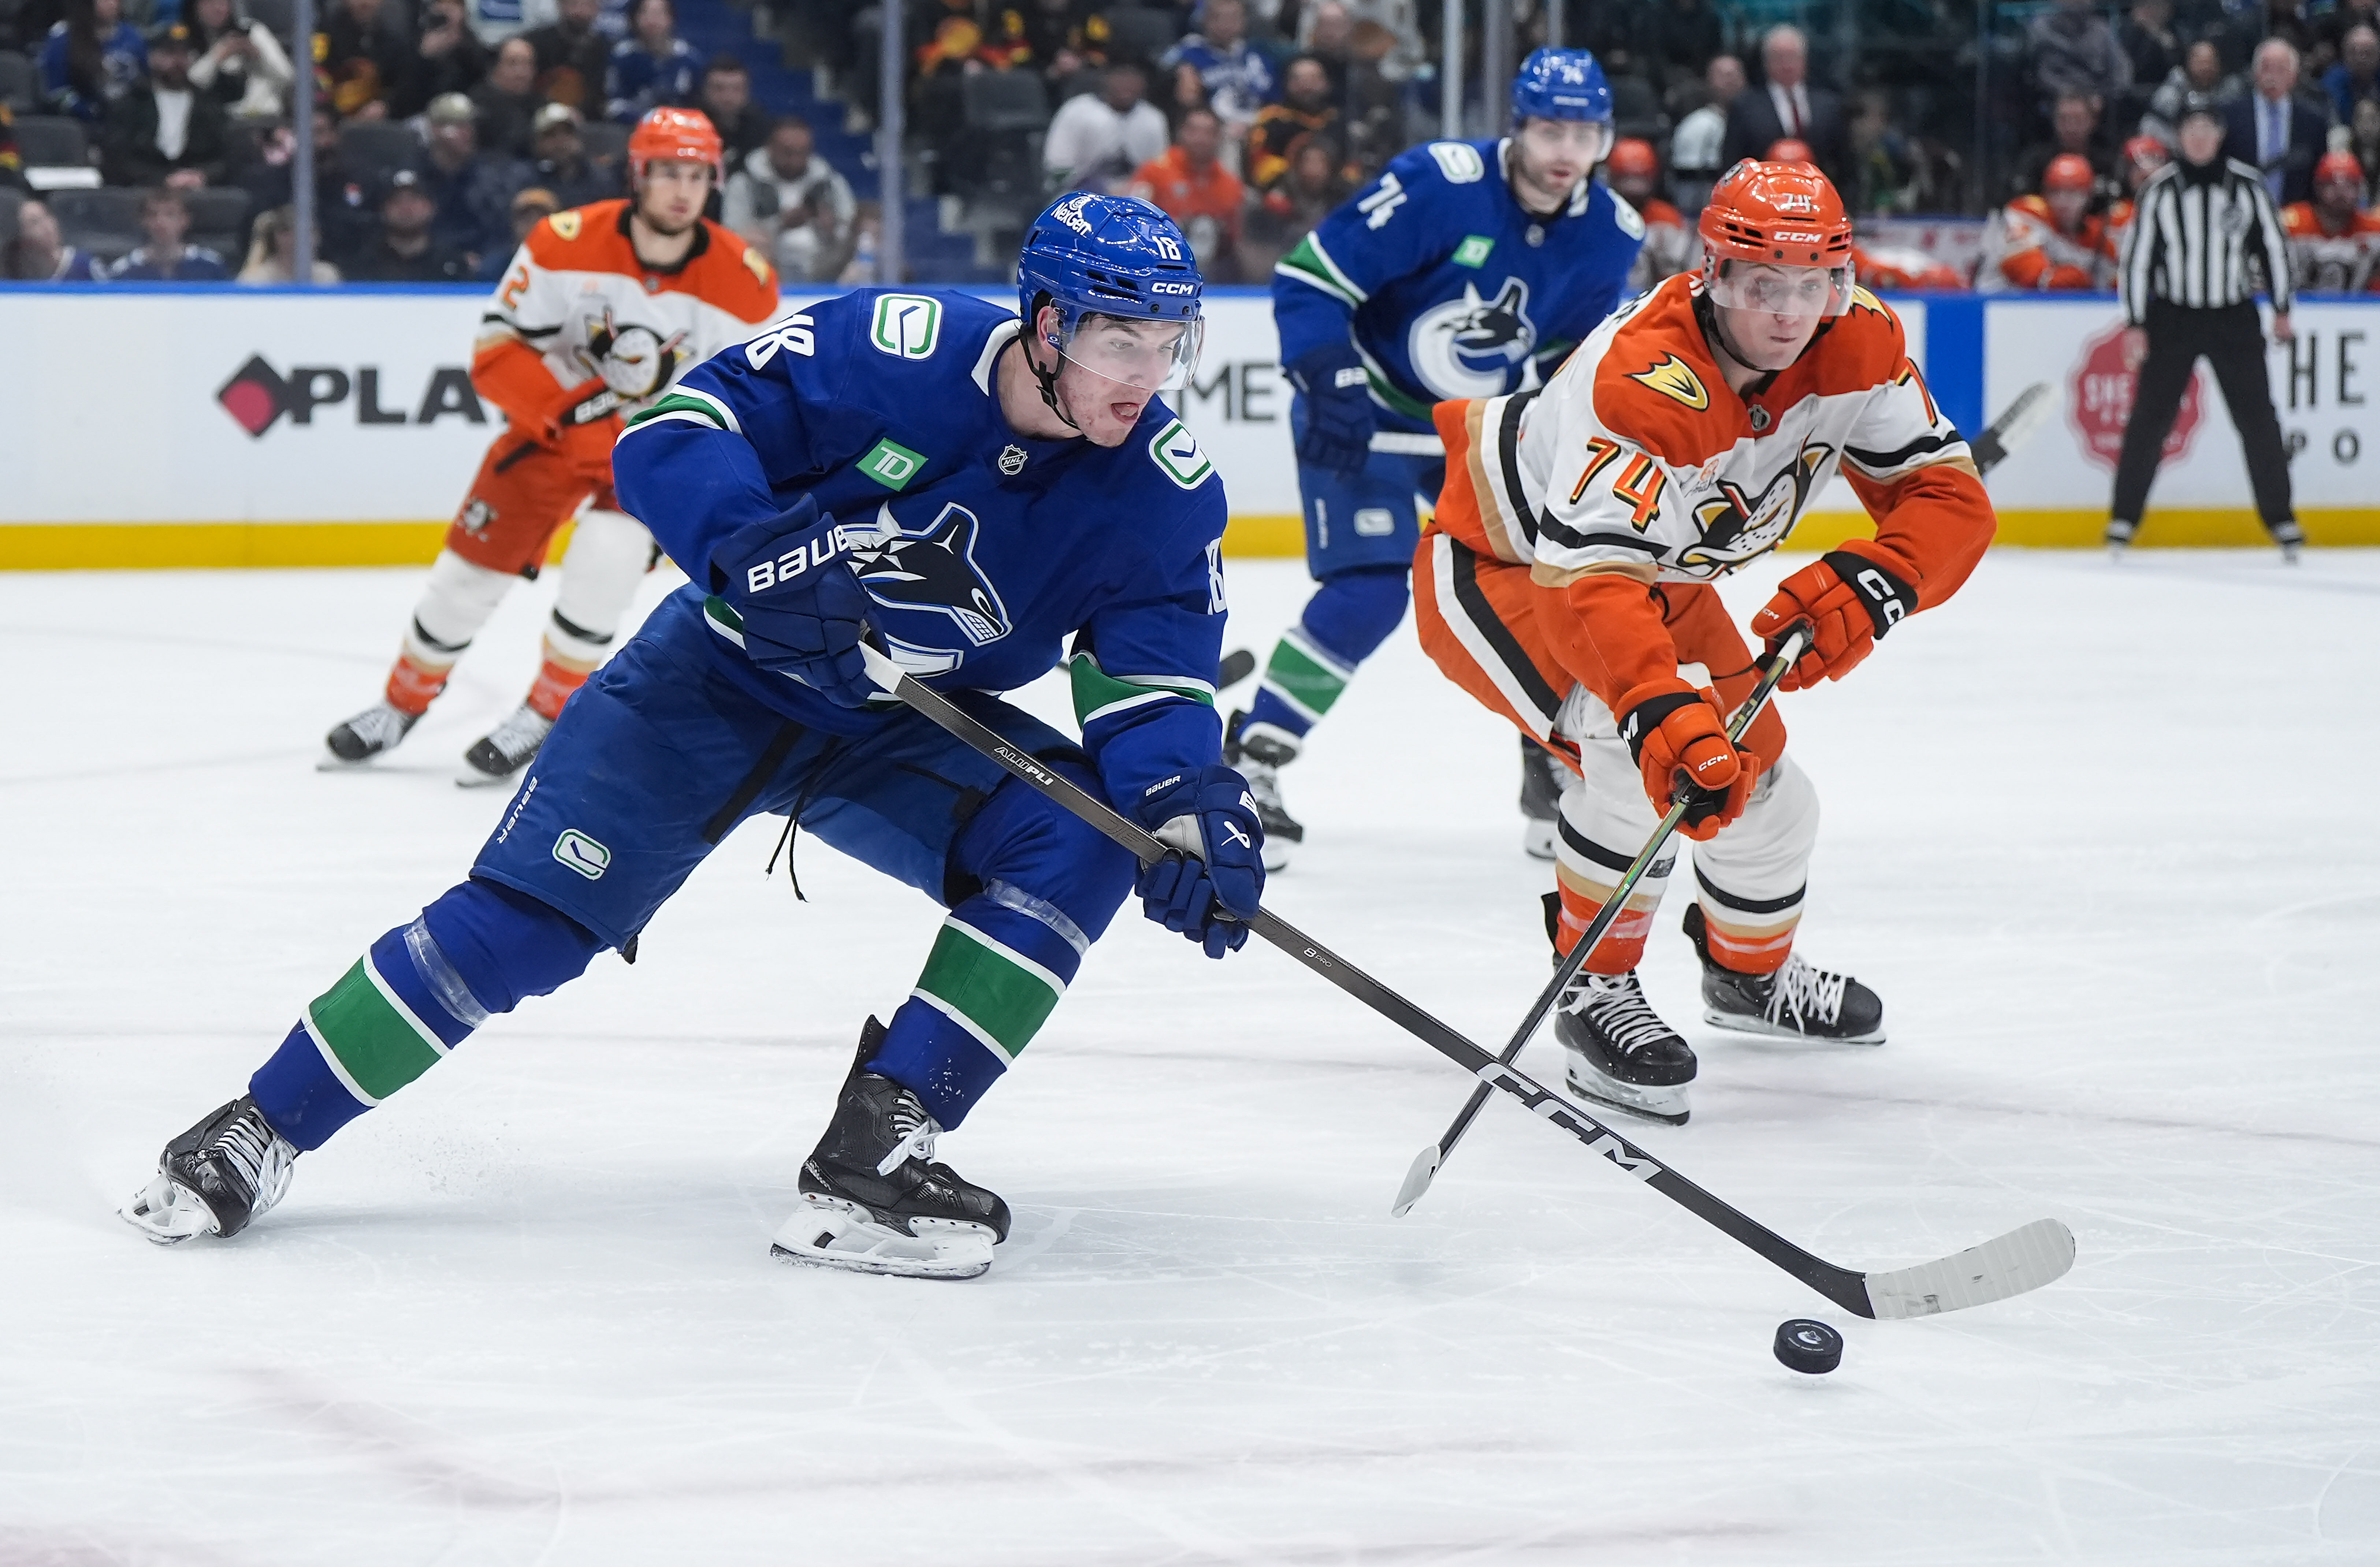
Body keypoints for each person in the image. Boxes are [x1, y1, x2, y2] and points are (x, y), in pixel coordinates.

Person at [118, 194, 1268, 1287]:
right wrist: (758, 551)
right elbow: (677, 429)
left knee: (1079, 836)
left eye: (1172, 344)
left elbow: (1150, 685)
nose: (1147, 378)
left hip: (895, 722)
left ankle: (875, 1154)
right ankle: (262, 1123)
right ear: (1049, 324)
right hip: (713, 677)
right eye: (1123, 342)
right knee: (528, 925)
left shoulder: (1164, 493)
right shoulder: (896, 347)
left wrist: (1183, 802)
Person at [1413, 159, 1992, 1124]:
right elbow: (1586, 586)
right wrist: (1653, 708)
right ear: (1712, 274)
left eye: (1813, 285)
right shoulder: (1643, 376)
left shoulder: (1861, 346)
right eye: (1764, 284)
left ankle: (1748, 977)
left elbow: (1949, 499)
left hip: (1658, 575)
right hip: (1505, 569)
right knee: (1625, 747)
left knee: (1765, 793)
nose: (1788, 312)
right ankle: (1593, 990)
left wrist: (1879, 582)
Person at [1256, 49, 1643, 868]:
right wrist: (1329, 380)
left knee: (1555, 584)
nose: (1564, 152)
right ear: (1517, 127)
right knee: (1366, 593)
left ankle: (1551, 760)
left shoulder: (1610, 234)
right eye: (1548, 130)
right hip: (1365, 411)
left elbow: (1568, 365)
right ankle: (1254, 758)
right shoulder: (1441, 181)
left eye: (1583, 133)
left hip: (1478, 428)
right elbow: (1310, 279)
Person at [321, 108, 777, 784]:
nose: (681, 190)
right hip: (550, 440)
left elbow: (755, 396)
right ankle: (401, 703)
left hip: (650, 462)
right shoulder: (564, 242)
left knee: (605, 565)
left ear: (713, 181)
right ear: (638, 175)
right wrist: (579, 421)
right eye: (667, 174)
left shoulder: (746, 281)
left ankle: (544, 713)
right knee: (462, 583)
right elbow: (496, 353)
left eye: (696, 175)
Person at [2111, 92, 2300, 558]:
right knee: (2149, 419)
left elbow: (2273, 249)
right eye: (2190, 129)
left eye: (2206, 128)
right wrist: (2135, 321)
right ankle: (2123, 517)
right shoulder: (2157, 190)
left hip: (2232, 315)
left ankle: (2280, 519)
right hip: (2172, 315)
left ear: (2219, 135)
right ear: (2178, 136)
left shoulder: (2248, 186)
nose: (2198, 137)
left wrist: (2281, 308)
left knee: (2257, 418)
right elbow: (2136, 261)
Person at [721, 113, 854, 283]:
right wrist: (780, 224)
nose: (795, 160)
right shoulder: (744, 183)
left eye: (803, 153)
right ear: (770, 148)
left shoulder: (830, 183)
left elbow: (850, 225)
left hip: (826, 266)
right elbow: (731, 235)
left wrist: (832, 229)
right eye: (788, 152)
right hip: (766, 267)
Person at [100, 22, 230, 188]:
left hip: (198, 190)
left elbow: (223, 157)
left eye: (184, 54)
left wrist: (202, 175)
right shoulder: (131, 103)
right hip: (143, 188)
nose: (178, 61)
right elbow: (117, 159)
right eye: (170, 53)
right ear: (152, 57)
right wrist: (162, 179)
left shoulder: (209, 104)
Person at [1721, 27, 1847, 189]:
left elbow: (1845, 164)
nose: (1787, 65)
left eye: (1792, 57)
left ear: (1804, 60)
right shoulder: (1745, 106)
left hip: (1819, 197)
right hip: (1762, 198)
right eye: (1779, 58)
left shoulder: (1829, 105)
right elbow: (1732, 165)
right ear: (1766, 62)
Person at [1130, 105, 1246, 280]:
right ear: (1181, 133)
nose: (1201, 139)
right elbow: (1133, 218)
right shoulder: (1155, 171)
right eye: (1194, 131)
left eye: (1209, 133)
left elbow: (1234, 240)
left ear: (1219, 138)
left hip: (1210, 272)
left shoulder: (1230, 185)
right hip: (1156, 262)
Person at [421, 89, 529, 269]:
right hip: (430, 265)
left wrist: (486, 259)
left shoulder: (490, 177)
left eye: (470, 126)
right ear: (437, 130)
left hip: (483, 266)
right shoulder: (419, 176)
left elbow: (498, 228)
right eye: (460, 126)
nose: (469, 134)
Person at [1978, 153, 2116, 291]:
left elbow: (2116, 282)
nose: (2063, 202)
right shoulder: (2027, 213)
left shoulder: (2099, 236)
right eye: (2055, 192)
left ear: (2089, 197)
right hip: (2001, 303)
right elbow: (2031, 275)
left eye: (2073, 193)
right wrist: (2069, 278)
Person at [1163, 0, 1273, 160]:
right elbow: (1174, 91)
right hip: (1214, 132)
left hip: (1255, 130)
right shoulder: (1189, 53)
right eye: (1218, 18)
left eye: (1232, 18)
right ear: (1205, 21)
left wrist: (1254, 126)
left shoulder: (1258, 57)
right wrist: (1181, 72)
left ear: (1243, 22)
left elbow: (1274, 102)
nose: (1225, 24)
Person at [1043, 59, 1169, 196]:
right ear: (1106, 78)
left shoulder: (1153, 118)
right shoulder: (1077, 110)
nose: (1127, 83)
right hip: (1078, 195)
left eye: (1134, 77)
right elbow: (1057, 166)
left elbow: (1161, 170)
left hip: (1135, 199)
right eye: (1121, 76)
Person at [2223, 39, 2327, 205]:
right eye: (2266, 69)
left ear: (2294, 76)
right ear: (2255, 73)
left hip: (2296, 214)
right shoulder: (2230, 115)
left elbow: (2318, 174)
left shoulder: (2313, 121)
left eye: (2281, 70)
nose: (2272, 77)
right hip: (2241, 209)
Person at [344, 167, 474, 279]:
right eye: (397, 200)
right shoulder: (364, 265)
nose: (406, 208)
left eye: (414, 200)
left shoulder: (452, 264)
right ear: (383, 210)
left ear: (432, 208)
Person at [2281, 148, 2380, 289]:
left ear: (2360, 189)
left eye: (2350, 184)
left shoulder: (2374, 228)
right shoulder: (2292, 221)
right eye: (2331, 183)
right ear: (2318, 187)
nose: (2341, 192)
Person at [1245, 53, 1345, 191]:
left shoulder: (1338, 120)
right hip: (1283, 194)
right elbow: (1260, 164)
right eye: (1299, 79)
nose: (1307, 86)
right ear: (1287, 83)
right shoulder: (1272, 119)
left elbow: (1352, 165)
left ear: (1326, 84)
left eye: (1314, 79)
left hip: (1334, 195)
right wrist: (1302, 176)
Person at [185, 0, 294, 120]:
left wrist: (258, 57)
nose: (218, 9)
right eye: (210, 3)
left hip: (264, 118)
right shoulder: (190, 41)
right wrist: (218, 56)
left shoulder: (253, 31)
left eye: (223, 3)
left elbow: (287, 76)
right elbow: (192, 83)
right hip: (218, 122)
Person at [1606, 136, 1691, 291]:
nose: (1634, 189)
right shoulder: (1600, 215)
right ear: (1613, 178)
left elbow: (1676, 277)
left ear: (1653, 178)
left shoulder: (1667, 219)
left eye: (1640, 180)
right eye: (1626, 180)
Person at [39, 0, 145, 122]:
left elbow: (144, 81)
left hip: (125, 120)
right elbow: (55, 90)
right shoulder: (63, 36)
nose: (111, 4)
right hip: (77, 121)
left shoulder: (133, 37)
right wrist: (85, 110)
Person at [102, 185, 233, 277]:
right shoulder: (124, 270)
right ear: (143, 221)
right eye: (153, 215)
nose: (161, 223)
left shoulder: (210, 266)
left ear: (185, 220)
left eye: (170, 215)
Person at [1668, 53, 1741, 213]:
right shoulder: (1697, 125)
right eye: (1723, 76)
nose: (1730, 81)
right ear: (1709, 81)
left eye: (1735, 75)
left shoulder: (1755, 124)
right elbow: (1687, 183)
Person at [2028, 0, 2134, 111]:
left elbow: (2121, 72)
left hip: (2098, 101)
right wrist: (2069, 94)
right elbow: (2040, 73)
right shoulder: (2041, 30)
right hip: (2054, 101)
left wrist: (2103, 97)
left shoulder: (2102, 31)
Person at [605, 0, 699, 123]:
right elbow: (614, 104)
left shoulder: (688, 58)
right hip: (631, 128)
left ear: (671, 18)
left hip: (677, 129)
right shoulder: (622, 56)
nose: (652, 20)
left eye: (659, 13)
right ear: (635, 18)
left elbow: (695, 104)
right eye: (646, 13)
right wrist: (648, 121)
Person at [527, 101, 621, 208]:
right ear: (538, 143)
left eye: (567, 133)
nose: (560, 141)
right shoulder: (526, 182)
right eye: (551, 135)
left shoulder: (602, 179)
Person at [524, 0, 610, 113]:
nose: (581, 12)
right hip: (539, 114)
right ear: (561, 6)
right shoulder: (536, 43)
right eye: (575, 4)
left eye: (588, 5)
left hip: (587, 120)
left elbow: (600, 94)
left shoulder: (604, 47)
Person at [471, 35, 542, 158]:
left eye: (528, 64)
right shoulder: (478, 105)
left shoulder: (540, 104)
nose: (521, 73)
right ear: (495, 68)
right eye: (512, 64)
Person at [693, 53, 770, 164]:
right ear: (705, 90)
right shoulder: (690, 124)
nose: (728, 97)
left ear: (747, 92)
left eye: (737, 89)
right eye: (719, 89)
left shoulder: (761, 126)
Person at [238, 201, 342, 281]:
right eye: (305, 234)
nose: (311, 240)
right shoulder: (256, 280)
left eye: (313, 232)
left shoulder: (327, 277)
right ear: (281, 237)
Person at [473, 180, 555, 278]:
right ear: (514, 224)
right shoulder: (494, 268)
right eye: (527, 219)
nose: (533, 226)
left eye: (541, 220)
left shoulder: (569, 268)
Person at [4, 196, 102, 277]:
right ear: (21, 237)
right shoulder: (12, 274)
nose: (47, 226)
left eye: (47, 216)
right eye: (35, 222)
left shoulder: (84, 265)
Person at [2107, 131, 2171, 255]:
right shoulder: (2117, 215)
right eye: (2136, 167)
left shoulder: (2175, 209)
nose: (2145, 172)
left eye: (2154, 163)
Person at [2323, 22, 2380, 122]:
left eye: (2367, 53)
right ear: (2345, 55)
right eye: (2355, 53)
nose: (2361, 59)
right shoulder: (2332, 82)